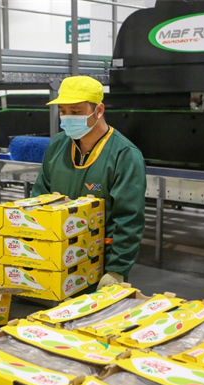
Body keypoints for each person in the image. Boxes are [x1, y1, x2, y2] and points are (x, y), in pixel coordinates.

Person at [32, 76, 146, 289]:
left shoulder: (124, 155)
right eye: (63, 111)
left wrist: (116, 270)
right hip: (57, 257)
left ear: (99, 110)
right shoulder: (58, 146)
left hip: (99, 262)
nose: (67, 118)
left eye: (76, 112)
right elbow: (39, 197)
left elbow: (129, 218)